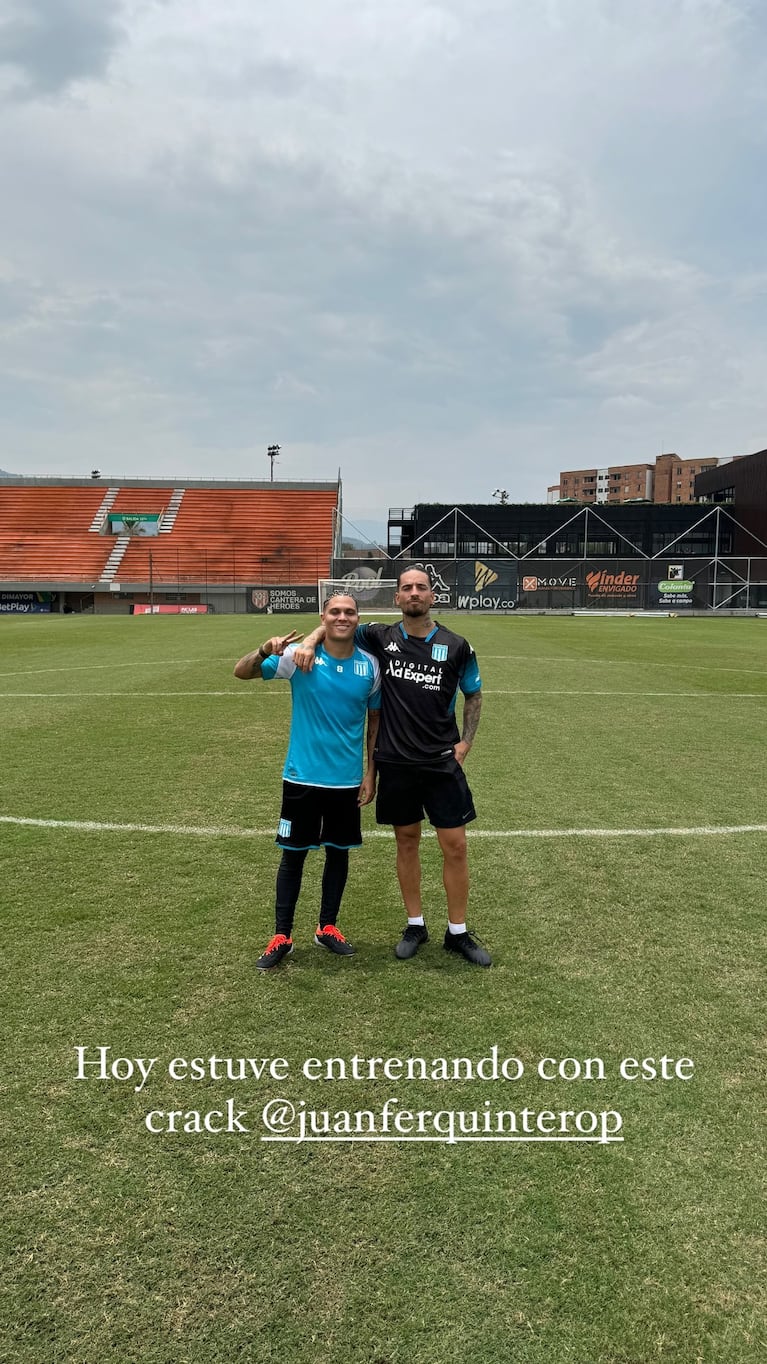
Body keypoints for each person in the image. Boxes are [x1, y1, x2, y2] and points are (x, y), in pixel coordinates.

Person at [295, 566, 490, 967]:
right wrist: (312, 640)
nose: (414, 593)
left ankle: (458, 932)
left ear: (432, 596)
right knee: (407, 842)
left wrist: (466, 742)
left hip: (440, 763)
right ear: (397, 598)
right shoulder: (379, 637)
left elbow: (474, 694)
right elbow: (336, 626)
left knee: (455, 846)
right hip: (397, 763)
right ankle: (415, 924)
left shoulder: (457, 646)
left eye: (421, 587)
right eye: (406, 588)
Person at [234, 593, 380, 970]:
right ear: (323, 616)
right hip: (301, 777)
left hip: (346, 781)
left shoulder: (370, 667)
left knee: (338, 853)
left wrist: (370, 773)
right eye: (335, 611)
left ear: (358, 618)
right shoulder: (299, 657)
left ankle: (327, 927)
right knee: (293, 855)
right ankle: (282, 934)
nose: (342, 617)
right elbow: (242, 671)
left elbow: (374, 724)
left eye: (349, 612)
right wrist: (265, 649)